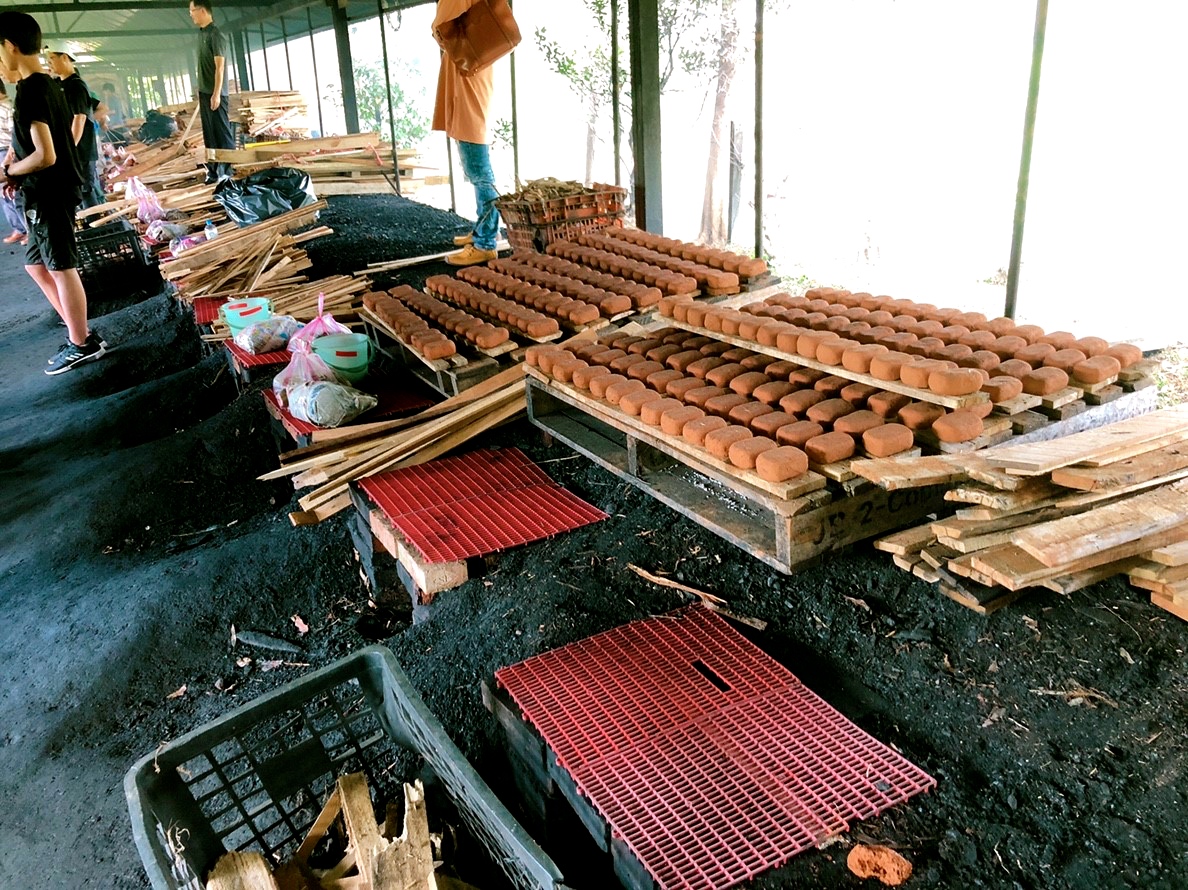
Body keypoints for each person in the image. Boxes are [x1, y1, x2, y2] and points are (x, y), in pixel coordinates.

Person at [0, 11, 106, 375]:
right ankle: (82, 332)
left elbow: (46, 155)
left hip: (50, 193)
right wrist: (18, 163)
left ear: (10, 46)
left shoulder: (32, 90)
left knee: (61, 267)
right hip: (44, 192)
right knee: (35, 264)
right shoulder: (46, 84)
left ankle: (82, 343)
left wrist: (8, 170)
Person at [432, 0, 502, 266]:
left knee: (480, 172)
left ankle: (486, 241)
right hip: (470, 69)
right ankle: (482, 232)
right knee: (477, 169)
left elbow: (441, 27)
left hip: (469, 74)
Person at [44, 43, 103, 208]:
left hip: (81, 151)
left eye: (51, 59)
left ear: (64, 57)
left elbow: (79, 119)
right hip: (73, 150)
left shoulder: (76, 85)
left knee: (86, 192)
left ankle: (95, 227)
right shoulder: (61, 85)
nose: (48, 63)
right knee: (78, 191)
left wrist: (68, 150)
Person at [188, 0, 233, 183]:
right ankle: (214, 171)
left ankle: (229, 170)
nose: (190, 14)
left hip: (216, 94)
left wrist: (216, 93)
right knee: (210, 135)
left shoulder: (216, 35)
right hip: (205, 92)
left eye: (192, 10)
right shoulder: (201, 34)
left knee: (222, 133)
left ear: (202, 11)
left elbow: (220, 67)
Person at [0, 79, 27, 243]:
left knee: (14, 191)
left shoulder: (8, 108)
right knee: (4, 192)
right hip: (0, 151)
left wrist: (11, 158)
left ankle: (28, 228)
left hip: (7, 152)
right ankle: (18, 228)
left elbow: (15, 135)